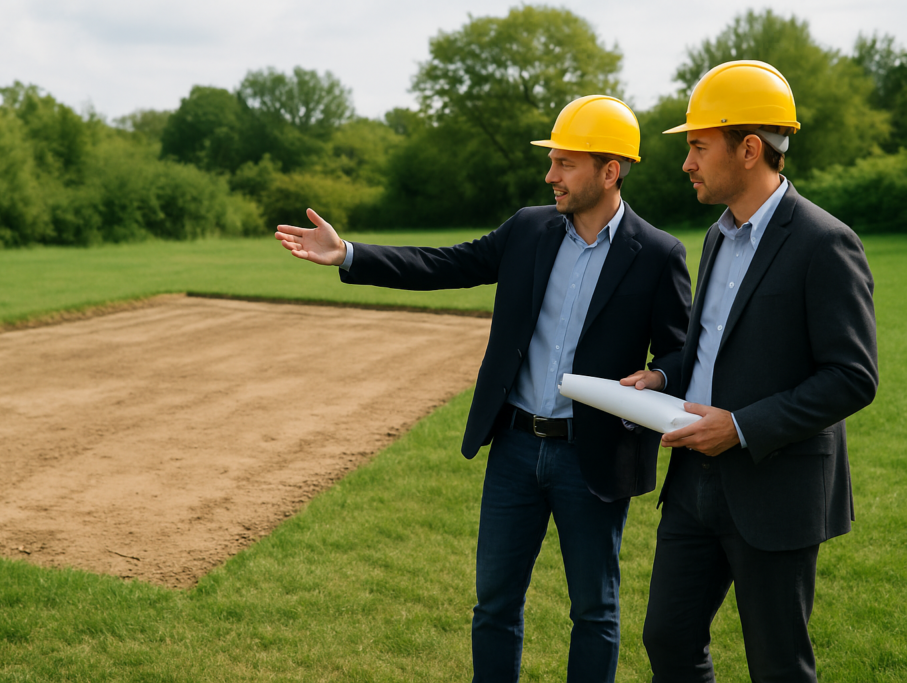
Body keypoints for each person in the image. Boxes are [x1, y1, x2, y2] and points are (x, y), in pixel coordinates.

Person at [276, 95, 691, 682]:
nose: (550, 175)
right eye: (552, 162)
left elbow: (681, 349)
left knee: (594, 612)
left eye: (565, 163)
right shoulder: (528, 229)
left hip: (591, 457)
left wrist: (660, 374)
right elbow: (445, 264)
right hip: (515, 447)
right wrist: (349, 254)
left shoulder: (657, 254)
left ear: (610, 170)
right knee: (495, 606)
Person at [624, 60, 879, 682]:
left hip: (776, 488)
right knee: (668, 641)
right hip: (692, 485)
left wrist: (738, 427)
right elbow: (712, 349)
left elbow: (852, 376)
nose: (687, 162)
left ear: (748, 148)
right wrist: (663, 377)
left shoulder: (825, 242)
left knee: (778, 666)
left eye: (696, 146)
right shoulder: (715, 237)